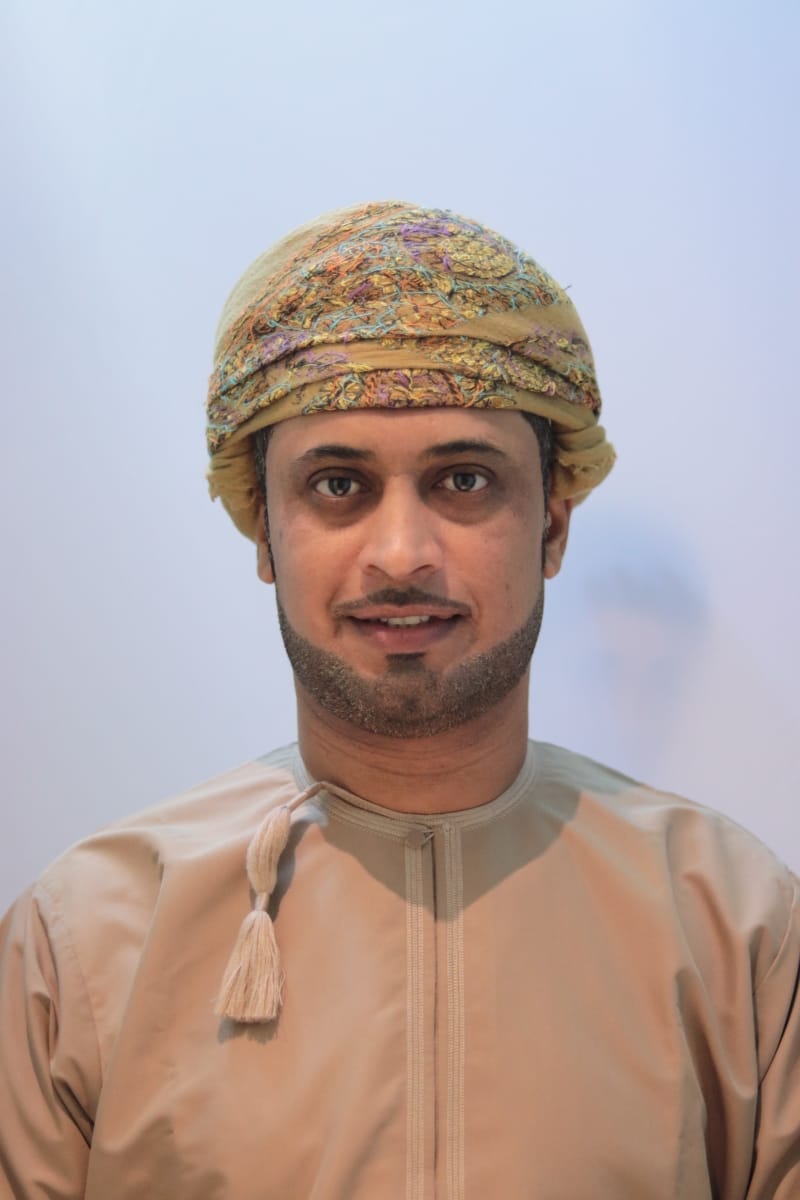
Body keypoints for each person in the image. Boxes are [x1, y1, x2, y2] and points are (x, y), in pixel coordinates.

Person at [1, 201, 798, 1198]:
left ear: (552, 526)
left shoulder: (734, 924)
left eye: (463, 481)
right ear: (264, 533)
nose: (400, 554)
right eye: (338, 486)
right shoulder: (84, 940)